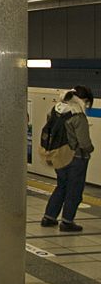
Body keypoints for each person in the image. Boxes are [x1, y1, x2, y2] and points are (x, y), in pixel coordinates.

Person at [42, 85, 94, 233]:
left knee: (61, 186)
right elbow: (84, 142)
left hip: (58, 155)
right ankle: (67, 222)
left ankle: (49, 217)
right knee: (74, 190)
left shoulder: (56, 109)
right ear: (83, 99)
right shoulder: (78, 115)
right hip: (76, 158)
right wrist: (91, 149)